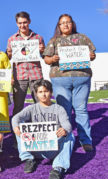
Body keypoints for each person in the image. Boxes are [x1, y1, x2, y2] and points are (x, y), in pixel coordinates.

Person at [43, 14, 96, 152]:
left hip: (81, 79)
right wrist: (53, 58)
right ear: (58, 26)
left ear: (72, 24)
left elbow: (92, 54)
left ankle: (86, 140)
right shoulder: (54, 40)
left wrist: (91, 55)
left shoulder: (83, 38)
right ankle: (65, 139)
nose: (65, 25)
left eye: (68, 22)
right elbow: (46, 59)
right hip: (61, 80)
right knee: (64, 112)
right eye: (62, 23)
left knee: (81, 110)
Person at [12, 80, 75, 179]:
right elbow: (16, 118)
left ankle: (58, 168)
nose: (43, 94)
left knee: (70, 135)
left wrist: (64, 130)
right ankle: (28, 159)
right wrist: (16, 127)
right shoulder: (32, 108)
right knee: (19, 127)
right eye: (40, 92)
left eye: (46, 91)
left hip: (53, 148)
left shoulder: (59, 108)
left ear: (51, 92)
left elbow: (67, 124)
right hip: (35, 148)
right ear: (36, 94)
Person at [6, 11, 45, 116]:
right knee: (18, 105)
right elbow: (8, 58)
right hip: (19, 76)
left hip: (36, 74)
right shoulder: (11, 39)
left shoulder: (38, 38)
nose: (22, 25)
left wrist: (42, 50)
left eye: (25, 22)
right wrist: (8, 53)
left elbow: (44, 56)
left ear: (29, 22)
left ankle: (43, 127)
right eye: (20, 23)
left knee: (40, 103)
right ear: (16, 24)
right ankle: (16, 129)